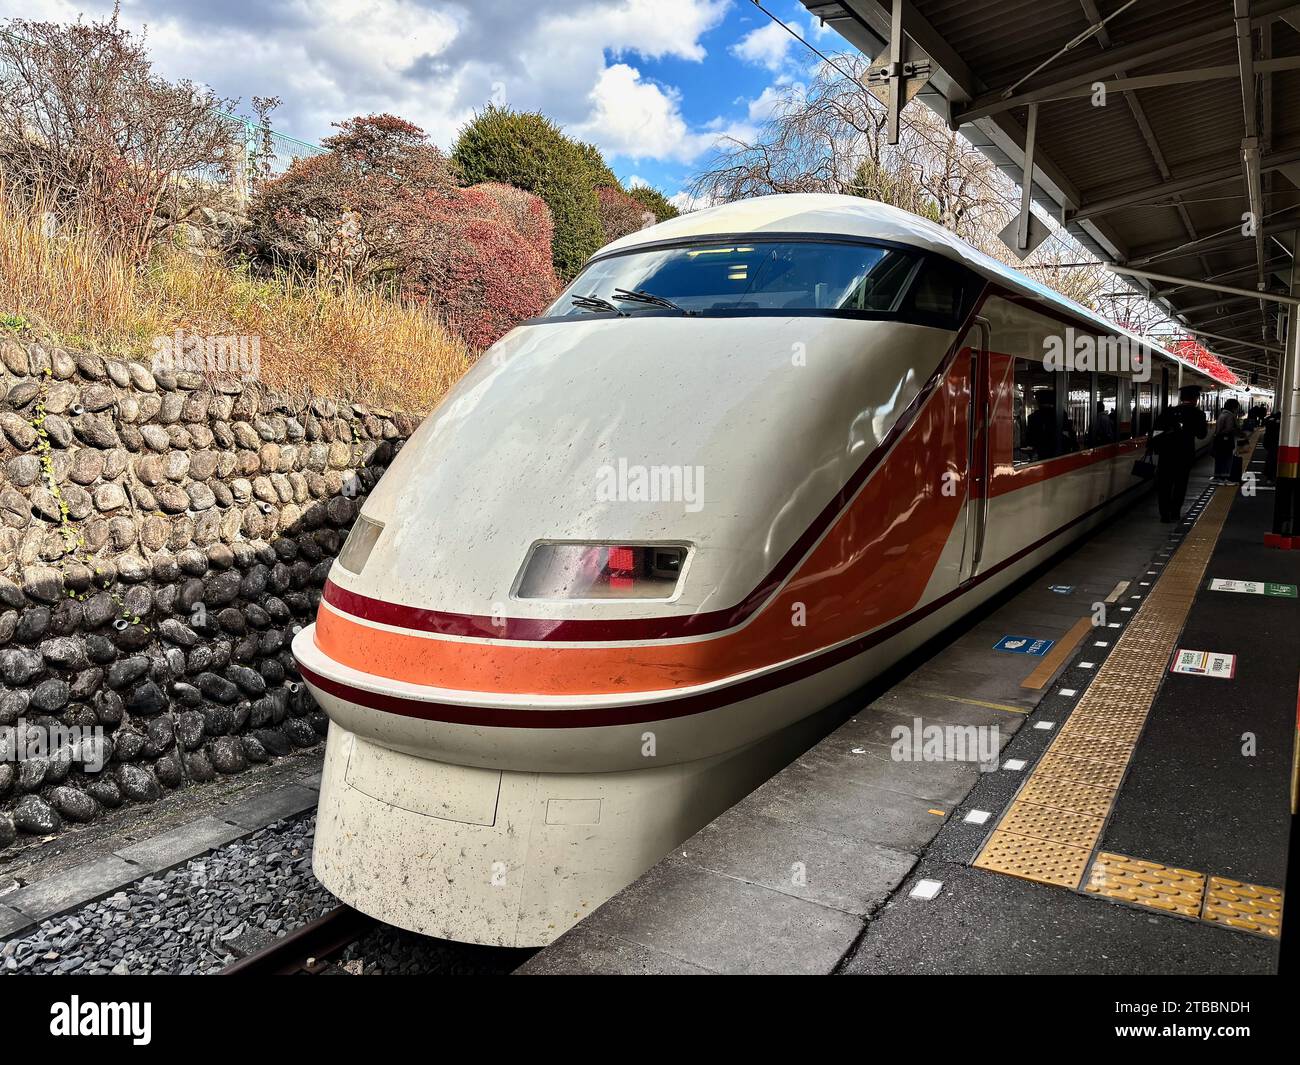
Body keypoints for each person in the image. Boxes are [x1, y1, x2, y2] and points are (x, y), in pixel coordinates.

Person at [1153, 385, 1208, 522]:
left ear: (1181, 398)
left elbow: (1156, 432)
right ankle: (1175, 512)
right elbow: (1202, 435)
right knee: (1180, 484)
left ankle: (1164, 515)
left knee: (1164, 485)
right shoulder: (1198, 414)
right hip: (1185, 455)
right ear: (1196, 399)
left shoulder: (1168, 412)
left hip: (1166, 455)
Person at [1212, 398, 1241, 483]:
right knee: (1227, 458)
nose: (1236, 410)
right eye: (1236, 408)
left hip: (1219, 440)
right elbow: (1229, 429)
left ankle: (1217, 477)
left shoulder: (1222, 414)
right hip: (1226, 441)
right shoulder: (1230, 415)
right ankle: (1224, 478)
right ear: (1233, 407)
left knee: (1219, 459)